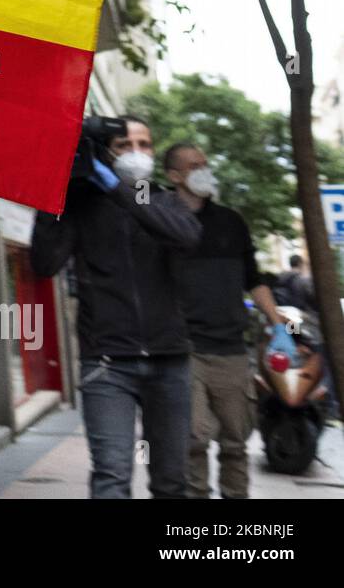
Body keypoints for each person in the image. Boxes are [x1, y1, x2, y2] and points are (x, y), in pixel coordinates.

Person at [30, 115, 202, 498]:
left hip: (170, 361)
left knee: (172, 480)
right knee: (111, 476)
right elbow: (44, 263)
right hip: (106, 363)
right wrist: (53, 193)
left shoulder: (165, 200)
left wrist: (114, 187)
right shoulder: (81, 205)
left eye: (144, 144)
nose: (136, 152)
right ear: (106, 153)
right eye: (125, 145)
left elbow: (185, 237)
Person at [162, 143, 286, 499]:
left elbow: (254, 280)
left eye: (205, 163)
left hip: (231, 350)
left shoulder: (231, 222)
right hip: (184, 350)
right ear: (174, 176)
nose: (204, 170)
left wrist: (279, 325)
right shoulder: (161, 221)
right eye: (194, 165)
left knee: (235, 442)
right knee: (194, 438)